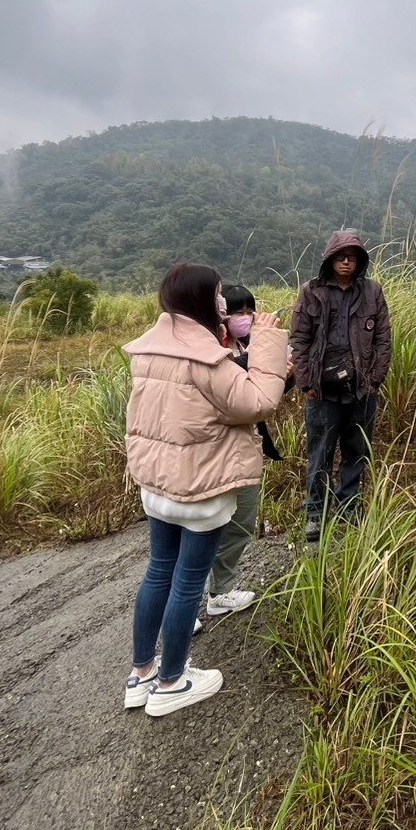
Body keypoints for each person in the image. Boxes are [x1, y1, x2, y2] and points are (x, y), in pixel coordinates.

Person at [122, 263, 289, 716]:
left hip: (157, 483)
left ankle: (141, 675)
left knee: (159, 571)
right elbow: (257, 402)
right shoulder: (207, 358)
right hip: (199, 486)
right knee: (188, 580)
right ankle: (174, 681)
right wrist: (270, 343)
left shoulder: (148, 350)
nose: (223, 303)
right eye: (217, 295)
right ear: (199, 300)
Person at [289, 229, 392, 541]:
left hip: (362, 389)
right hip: (322, 391)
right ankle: (315, 514)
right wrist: (307, 382)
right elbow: (300, 339)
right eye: (340, 257)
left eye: (353, 257)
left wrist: (374, 381)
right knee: (320, 453)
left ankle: (349, 509)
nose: (346, 262)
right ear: (330, 259)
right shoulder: (312, 291)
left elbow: (384, 339)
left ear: (361, 261)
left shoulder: (372, 292)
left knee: (356, 451)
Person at [203, 284, 292, 617]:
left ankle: (221, 591)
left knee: (242, 519)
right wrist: (261, 358)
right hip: (215, 450)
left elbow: (261, 400)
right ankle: (182, 609)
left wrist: (284, 374)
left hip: (246, 447)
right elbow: (226, 382)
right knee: (203, 528)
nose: (245, 318)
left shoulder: (246, 344)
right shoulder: (208, 346)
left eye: (249, 312)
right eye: (237, 312)